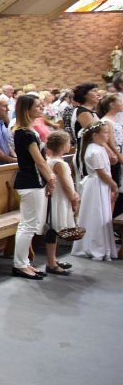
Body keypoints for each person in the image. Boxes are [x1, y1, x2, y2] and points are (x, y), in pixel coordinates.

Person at [10, 94, 56, 280]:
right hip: (30, 181)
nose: (41, 108)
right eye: (37, 106)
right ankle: (20, 265)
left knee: (30, 224)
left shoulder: (29, 130)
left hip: (33, 181)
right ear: (26, 110)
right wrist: (51, 178)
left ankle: (24, 262)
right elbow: (39, 161)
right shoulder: (25, 133)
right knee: (28, 226)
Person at [71, 121, 118, 260]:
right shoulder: (94, 151)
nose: (108, 135)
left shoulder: (98, 148)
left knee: (100, 213)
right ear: (95, 135)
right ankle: (96, 246)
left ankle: (101, 245)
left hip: (100, 184)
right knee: (96, 214)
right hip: (97, 185)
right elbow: (101, 173)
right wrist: (114, 185)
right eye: (105, 133)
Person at [44, 131, 77, 275]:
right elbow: (66, 185)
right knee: (53, 230)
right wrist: (74, 198)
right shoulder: (59, 164)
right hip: (59, 199)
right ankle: (51, 263)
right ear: (63, 146)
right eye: (69, 143)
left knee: (54, 229)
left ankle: (53, 259)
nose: (70, 145)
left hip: (55, 198)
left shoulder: (50, 160)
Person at [97, 93, 123, 216]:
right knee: (115, 189)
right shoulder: (107, 121)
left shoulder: (114, 119)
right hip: (115, 157)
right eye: (120, 101)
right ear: (112, 104)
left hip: (119, 153)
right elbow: (111, 143)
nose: (122, 103)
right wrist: (120, 157)